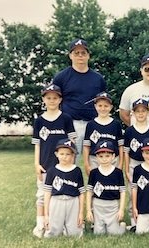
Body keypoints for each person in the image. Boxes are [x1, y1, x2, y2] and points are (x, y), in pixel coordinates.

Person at [31, 84, 77, 238]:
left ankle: (62, 224)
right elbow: (37, 144)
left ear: (60, 99)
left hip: (64, 165)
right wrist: (36, 164)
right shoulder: (39, 121)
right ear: (43, 99)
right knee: (42, 196)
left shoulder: (66, 118)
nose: (52, 100)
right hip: (45, 165)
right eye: (48, 98)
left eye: (55, 98)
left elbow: (72, 142)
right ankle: (40, 224)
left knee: (62, 195)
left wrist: (72, 162)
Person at [53, 38, 106, 164]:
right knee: (69, 161)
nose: (80, 55)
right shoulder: (61, 77)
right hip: (72, 125)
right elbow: (54, 102)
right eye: (76, 53)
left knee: (99, 161)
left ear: (88, 55)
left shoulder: (98, 78)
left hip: (94, 124)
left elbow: (103, 103)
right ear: (70, 55)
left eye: (83, 53)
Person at [123, 98, 149, 229]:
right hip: (134, 163)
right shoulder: (129, 131)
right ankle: (134, 221)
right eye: (137, 111)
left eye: (143, 111)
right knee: (133, 192)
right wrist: (127, 169)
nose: (140, 113)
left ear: (148, 113)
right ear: (133, 113)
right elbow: (126, 152)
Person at [43, 138, 85, 238]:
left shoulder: (77, 171)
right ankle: (59, 227)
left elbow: (81, 193)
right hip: (57, 201)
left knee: (75, 234)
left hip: (72, 202)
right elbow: (47, 192)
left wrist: (81, 213)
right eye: (62, 154)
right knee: (52, 234)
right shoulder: (52, 171)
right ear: (56, 154)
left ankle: (69, 228)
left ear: (73, 155)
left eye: (68, 154)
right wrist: (46, 215)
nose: (64, 157)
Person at [86, 140, 126, 235]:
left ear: (113, 156)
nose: (104, 159)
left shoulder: (118, 172)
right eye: (101, 156)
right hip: (98, 206)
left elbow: (123, 192)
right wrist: (88, 210)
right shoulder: (94, 173)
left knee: (114, 233)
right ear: (96, 157)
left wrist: (121, 210)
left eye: (107, 156)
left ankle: (122, 226)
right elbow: (89, 192)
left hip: (113, 206)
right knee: (98, 233)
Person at [83, 92, 124, 176]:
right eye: (100, 106)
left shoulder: (116, 124)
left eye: (106, 106)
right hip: (95, 159)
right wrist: (87, 164)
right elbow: (86, 146)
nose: (103, 108)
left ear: (111, 107)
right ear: (95, 106)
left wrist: (120, 163)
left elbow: (120, 145)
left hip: (113, 159)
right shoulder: (91, 124)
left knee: (112, 184)